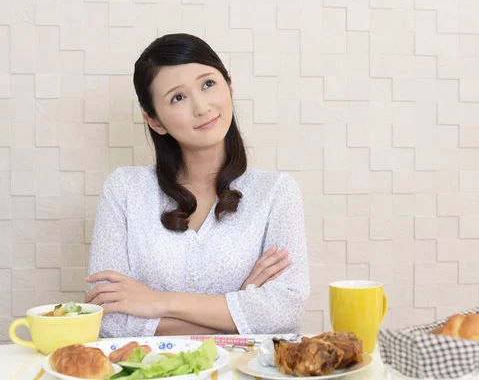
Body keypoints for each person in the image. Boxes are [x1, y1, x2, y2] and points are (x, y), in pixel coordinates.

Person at [84, 33, 310, 338]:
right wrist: (239, 306)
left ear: (229, 85)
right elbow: (109, 321)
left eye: (208, 84)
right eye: (177, 97)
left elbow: (286, 313)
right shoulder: (124, 190)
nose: (202, 107)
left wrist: (157, 302)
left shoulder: (276, 192)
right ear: (154, 120)